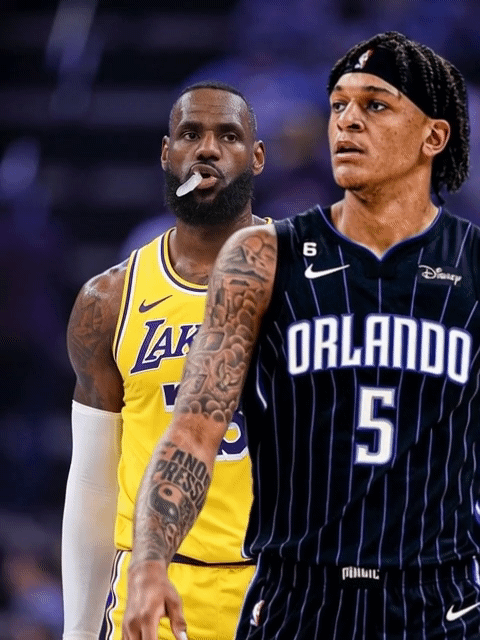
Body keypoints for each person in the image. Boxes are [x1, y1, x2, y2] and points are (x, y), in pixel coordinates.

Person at [121, 31, 480, 640]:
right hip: (300, 596)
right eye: (338, 105)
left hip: (439, 597)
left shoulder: (472, 265)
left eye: (375, 105)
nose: (347, 122)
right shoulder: (261, 257)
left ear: (433, 137)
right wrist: (151, 562)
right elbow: (194, 430)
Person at [62, 81, 267, 640]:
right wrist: (78, 630)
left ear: (257, 156)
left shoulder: (311, 284)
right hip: (152, 592)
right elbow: (93, 485)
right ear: (166, 152)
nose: (207, 149)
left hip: (279, 589)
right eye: (190, 134)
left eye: (228, 136)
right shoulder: (109, 301)